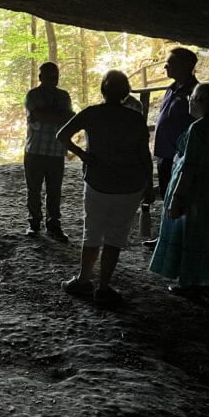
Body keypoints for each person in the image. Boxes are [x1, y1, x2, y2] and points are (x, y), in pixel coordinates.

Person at [56, 70, 154, 304]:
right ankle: (104, 286)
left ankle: (83, 280)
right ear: (126, 93)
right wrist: (149, 184)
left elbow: (62, 135)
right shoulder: (135, 119)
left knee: (92, 231)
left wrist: (82, 155)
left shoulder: (92, 113)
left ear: (103, 90)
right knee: (116, 235)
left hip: (98, 182)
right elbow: (144, 156)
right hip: (129, 185)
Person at [149, 83, 209, 297]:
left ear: (204, 101)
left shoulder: (199, 128)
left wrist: (176, 198)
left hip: (197, 190)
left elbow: (190, 167)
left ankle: (189, 283)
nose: (190, 100)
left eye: (194, 97)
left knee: (191, 234)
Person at [145, 48, 199, 246]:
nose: (165, 66)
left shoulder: (195, 92)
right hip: (164, 153)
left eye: (170, 62)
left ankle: (182, 238)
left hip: (181, 156)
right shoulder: (171, 88)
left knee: (181, 195)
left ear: (186, 66)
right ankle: (166, 237)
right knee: (167, 195)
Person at [23, 62, 74, 240]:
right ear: (40, 77)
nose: (54, 79)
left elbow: (68, 118)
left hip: (56, 151)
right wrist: (56, 114)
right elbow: (57, 116)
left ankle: (54, 226)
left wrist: (46, 114)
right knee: (33, 190)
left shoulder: (64, 95)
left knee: (55, 191)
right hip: (35, 150)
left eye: (56, 75)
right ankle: (34, 224)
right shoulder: (32, 95)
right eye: (50, 76)